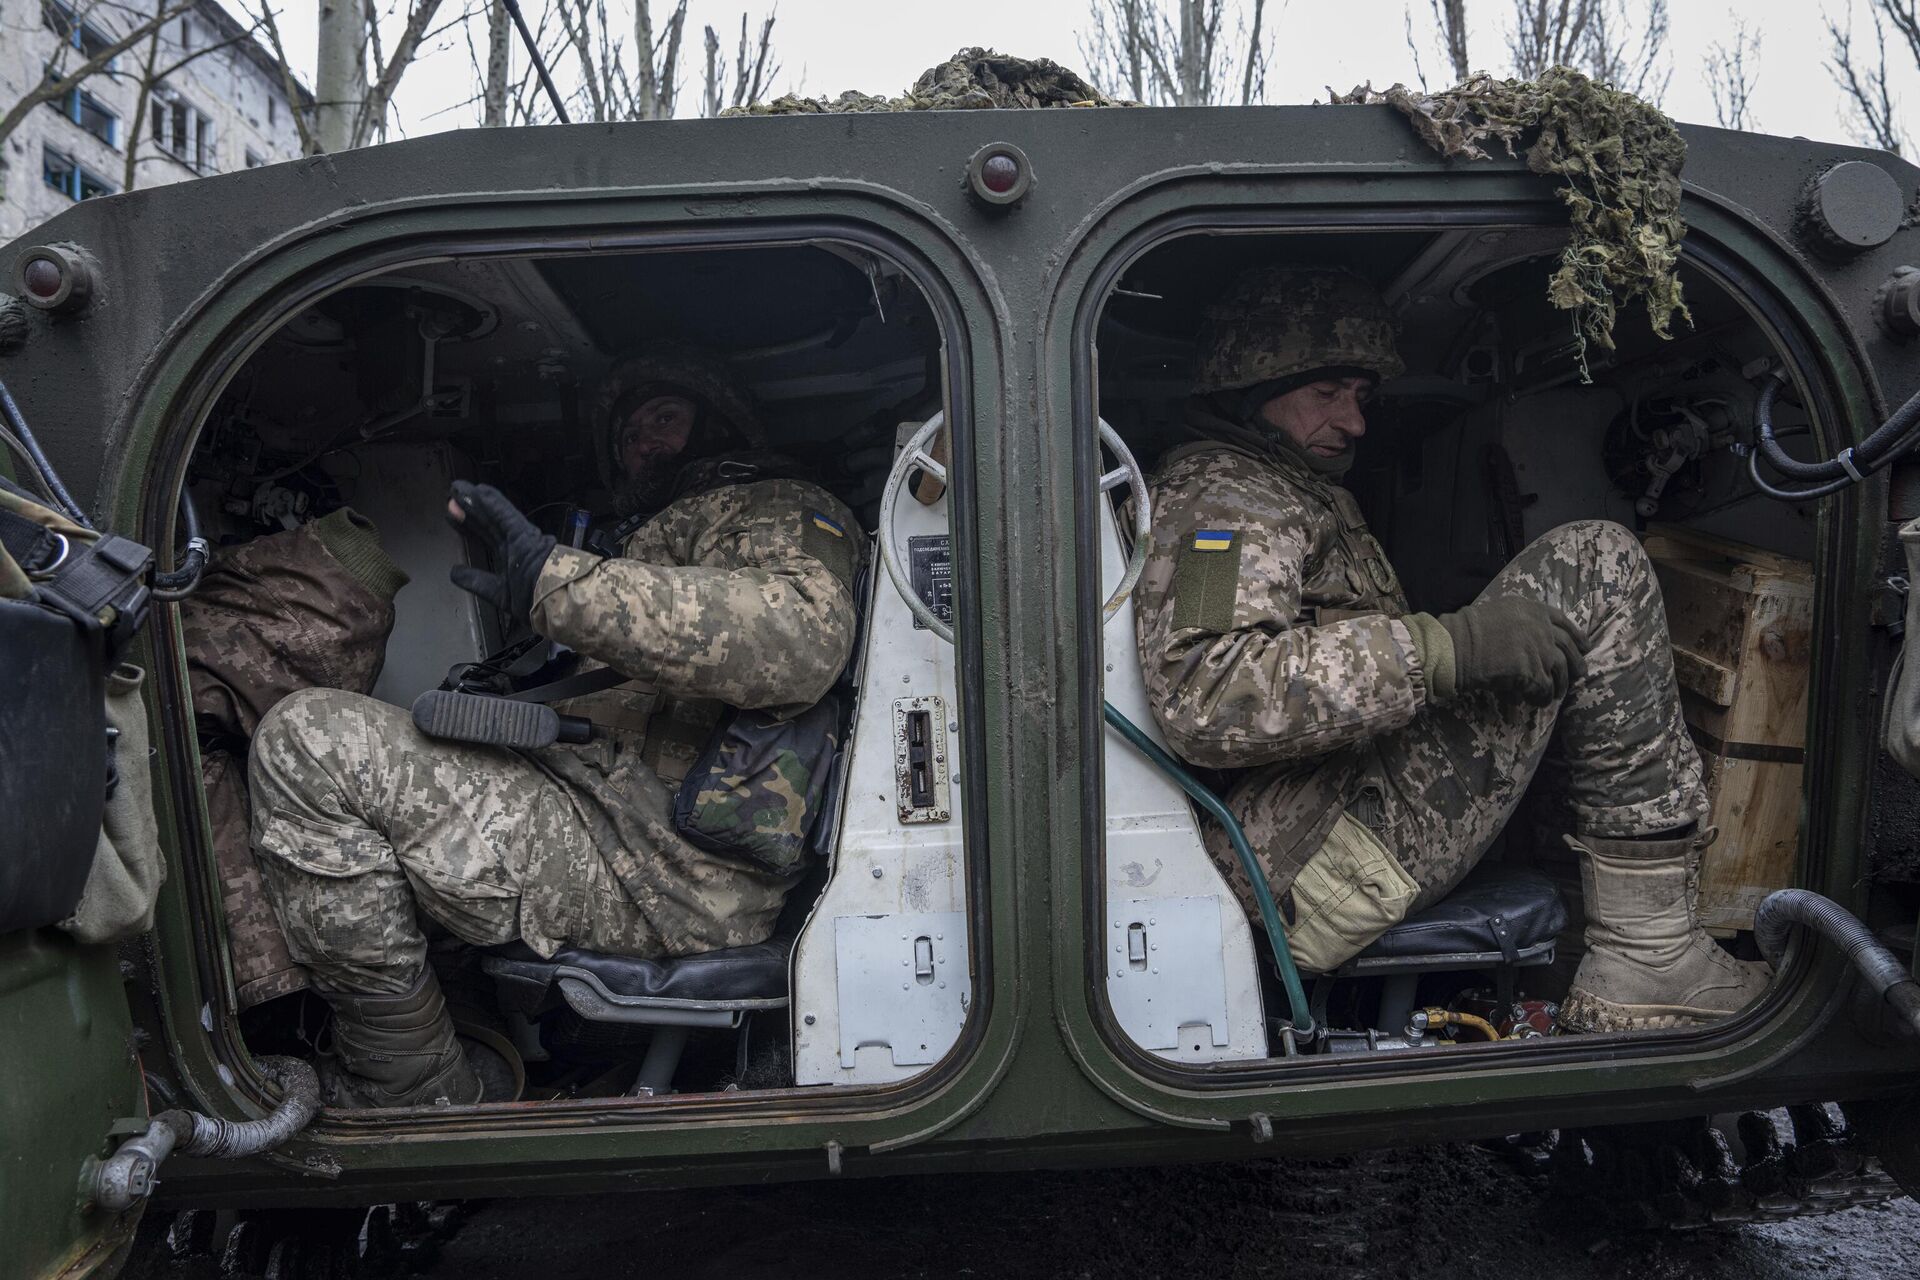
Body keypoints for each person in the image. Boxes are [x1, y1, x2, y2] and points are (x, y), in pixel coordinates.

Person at [1133, 266, 1770, 1033]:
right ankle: (1650, 951)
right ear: (1252, 384)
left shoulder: (1280, 488)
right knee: (1594, 564)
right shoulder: (1222, 503)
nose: (1356, 421)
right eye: (1328, 391)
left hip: (1320, 831)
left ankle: (1603, 939)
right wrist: (1444, 649)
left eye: (1361, 397)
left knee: (1554, 664)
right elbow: (1206, 690)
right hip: (1311, 862)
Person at [249, 345, 863, 1106]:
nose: (644, 441)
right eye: (630, 433)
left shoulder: (772, 505)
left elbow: (800, 642)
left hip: (666, 868)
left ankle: (407, 1095)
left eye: (665, 419)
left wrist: (555, 581)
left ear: (722, 428)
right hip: (611, 821)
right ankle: (463, 1054)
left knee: (313, 741)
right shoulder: (651, 536)